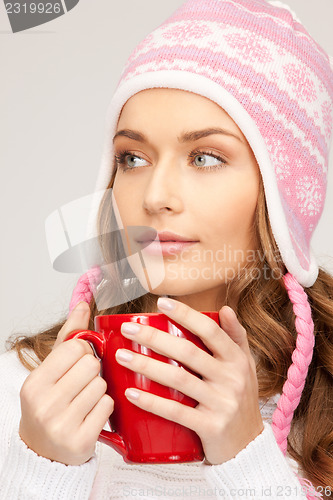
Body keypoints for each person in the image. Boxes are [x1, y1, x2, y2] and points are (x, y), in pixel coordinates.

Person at [1, 0, 332, 498]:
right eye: (132, 157)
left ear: (282, 192)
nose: (154, 197)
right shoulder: (25, 390)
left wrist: (247, 460)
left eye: (204, 157)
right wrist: (42, 470)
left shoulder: (322, 403)